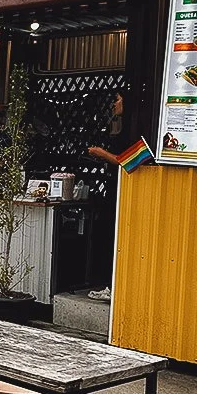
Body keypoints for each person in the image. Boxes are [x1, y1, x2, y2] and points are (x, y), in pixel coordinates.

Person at [85, 92, 129, 302]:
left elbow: (129, 161)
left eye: (118, 99)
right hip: (113, 186)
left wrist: (102, 154)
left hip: (124, 188)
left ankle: (113, 286)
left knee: (112, 234)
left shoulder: (134, 128)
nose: (114, 103)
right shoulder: (119, 124)